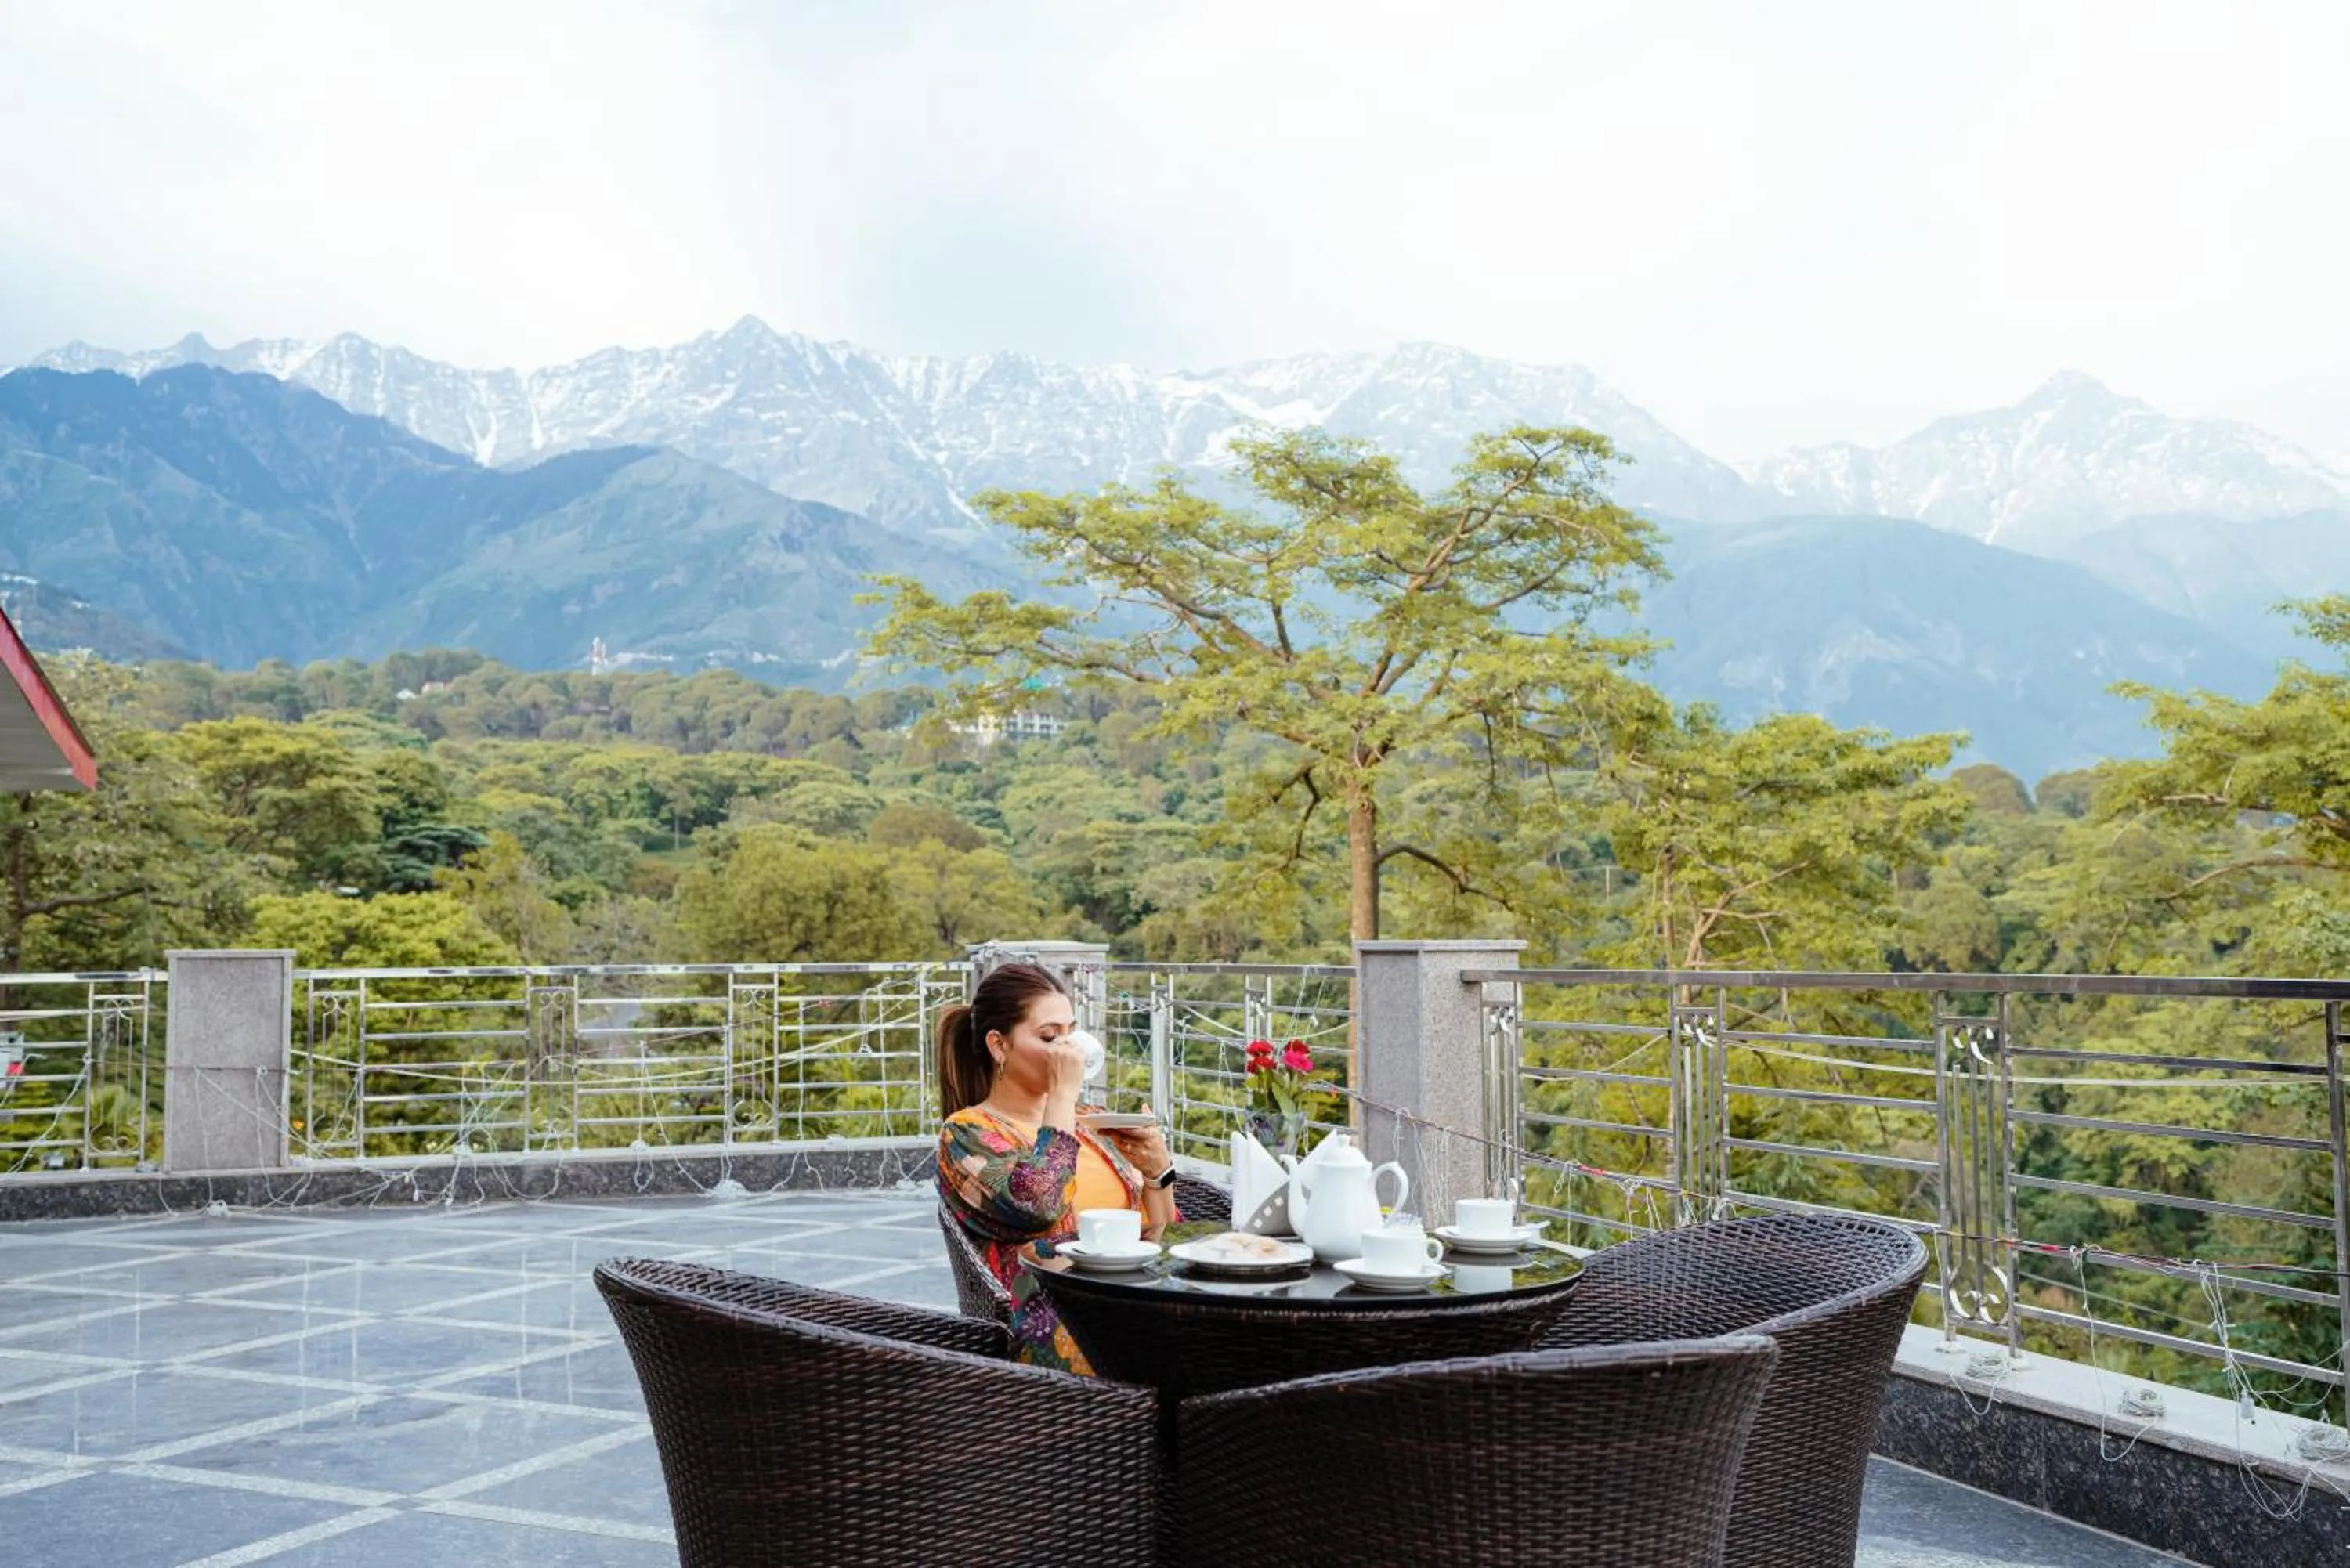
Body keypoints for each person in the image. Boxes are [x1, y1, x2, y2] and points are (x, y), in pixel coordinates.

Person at [935, 962, 1177, 1372]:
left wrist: (1158, 1173)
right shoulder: (966, 1135)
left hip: (1139, 1304)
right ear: (999, 1045)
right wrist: (1062, 1095)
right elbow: (1040, 1203)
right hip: (1059, 1325)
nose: (1070, 1051)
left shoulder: (1092, 1124)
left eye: (1071, 1034)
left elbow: (1163, 1234)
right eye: (1050, 1037)